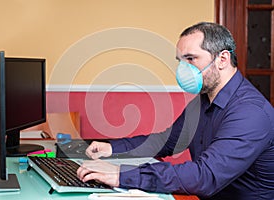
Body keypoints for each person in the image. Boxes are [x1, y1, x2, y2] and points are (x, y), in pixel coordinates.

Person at [77, 22, 274, 199]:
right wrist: (112, 148)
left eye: (191, 58)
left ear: (222, 59)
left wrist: (120, 175)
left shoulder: (250, 112)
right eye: (180, 61)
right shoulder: (202, 101)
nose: (183, 69)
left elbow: (205, 176)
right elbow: (167, 141)